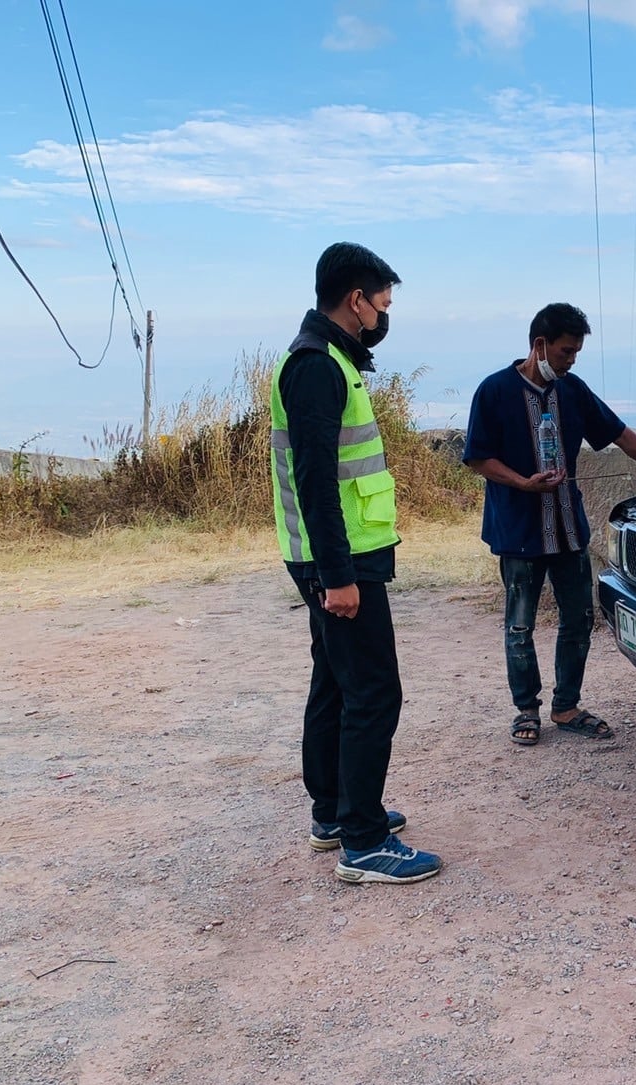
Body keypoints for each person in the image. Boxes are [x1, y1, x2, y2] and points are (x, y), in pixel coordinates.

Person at [269, 242, 440, 884]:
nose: (385, 314)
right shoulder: (316, 366)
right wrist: (337, 576)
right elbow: (316, 481)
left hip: (338, 553)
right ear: (355, 299)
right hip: (340, 560)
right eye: (383, 303)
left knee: (336, 682)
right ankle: (364, 843)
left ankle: (335, 814)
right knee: (372, 690)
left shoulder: (330, 357)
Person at [463, 302, 636, 746]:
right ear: (540, 344)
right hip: (518, 532)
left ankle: (566, 706)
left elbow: (618, 433)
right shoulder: (494, 390)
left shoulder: (573, 391)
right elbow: (477, 457)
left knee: (579, 619)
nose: (571, 361)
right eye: (566, 351)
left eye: (576, 353)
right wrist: (522, 483)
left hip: (568, 529)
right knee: (519, 626)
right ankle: (526, 709)